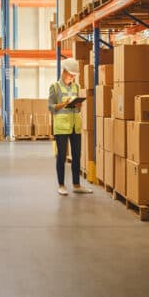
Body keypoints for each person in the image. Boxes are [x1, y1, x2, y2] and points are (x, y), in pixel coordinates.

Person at [49, 58, 92, 196]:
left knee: (76, 155)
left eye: (74, 75)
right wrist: (64, 104)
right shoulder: (54, 87)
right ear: (64, 72)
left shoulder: (76, 87)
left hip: (75, 126)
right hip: (61, 127)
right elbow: (51, 107)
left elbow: (77, 109)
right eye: (70, 75)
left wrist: (78, 105)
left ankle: (76, 184)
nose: (72, 77)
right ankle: (61, 185)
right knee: (61, 156)